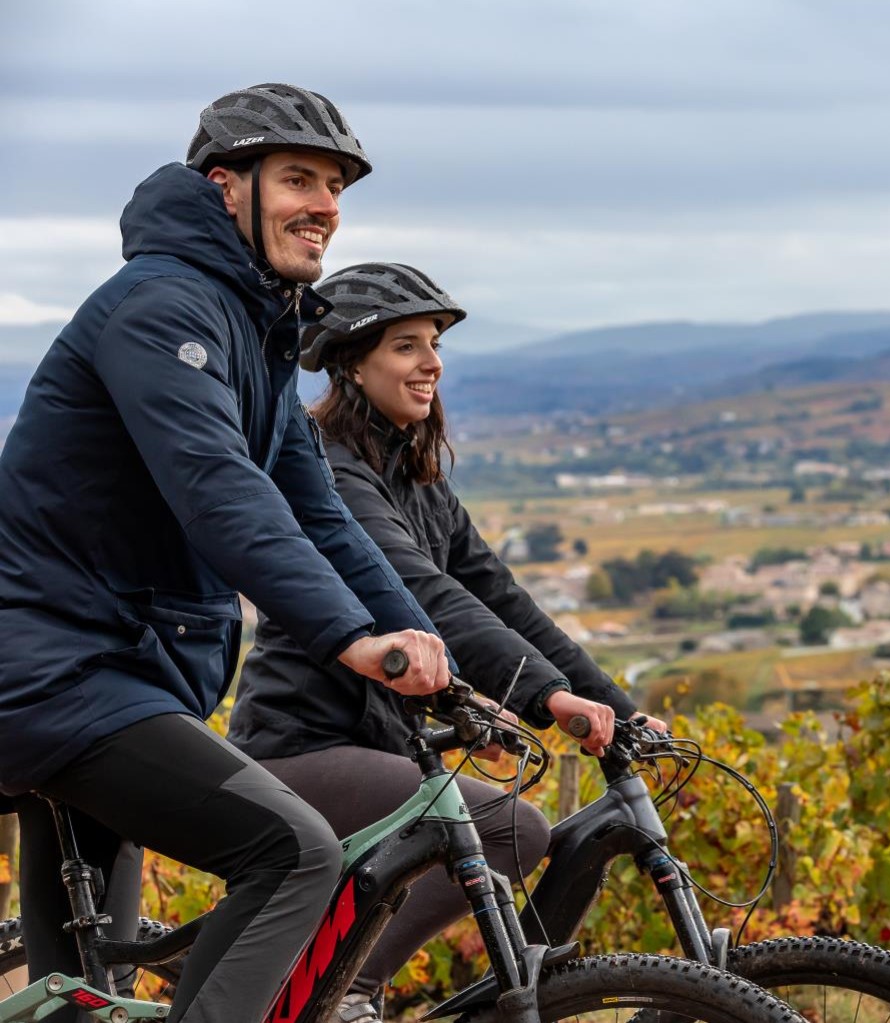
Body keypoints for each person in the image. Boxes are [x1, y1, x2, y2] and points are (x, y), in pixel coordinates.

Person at [0, 85, 454, 1023]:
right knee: (294, 851)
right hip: (57, 675)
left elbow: (321, 515)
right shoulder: (162, 308)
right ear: (225, 188)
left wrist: (424, 650)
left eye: (335, 187)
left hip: (115, 678)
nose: (324, 205)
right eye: (298, 179)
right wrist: (350, 638)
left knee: (81, 998)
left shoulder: (252, 330)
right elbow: (219, 490)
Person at [228, 262, 665, 1020]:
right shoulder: (334, 474)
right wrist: (545, 698)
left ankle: (339, 980)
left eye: (434, 344)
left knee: (509, 832)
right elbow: (427, 595)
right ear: (352, 365)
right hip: (302, 746)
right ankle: (347, 987)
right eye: (406, 346)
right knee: (510, 827)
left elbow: (502, 599)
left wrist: (614, 707)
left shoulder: (418, 479)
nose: (431, 362)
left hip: (383, 745)